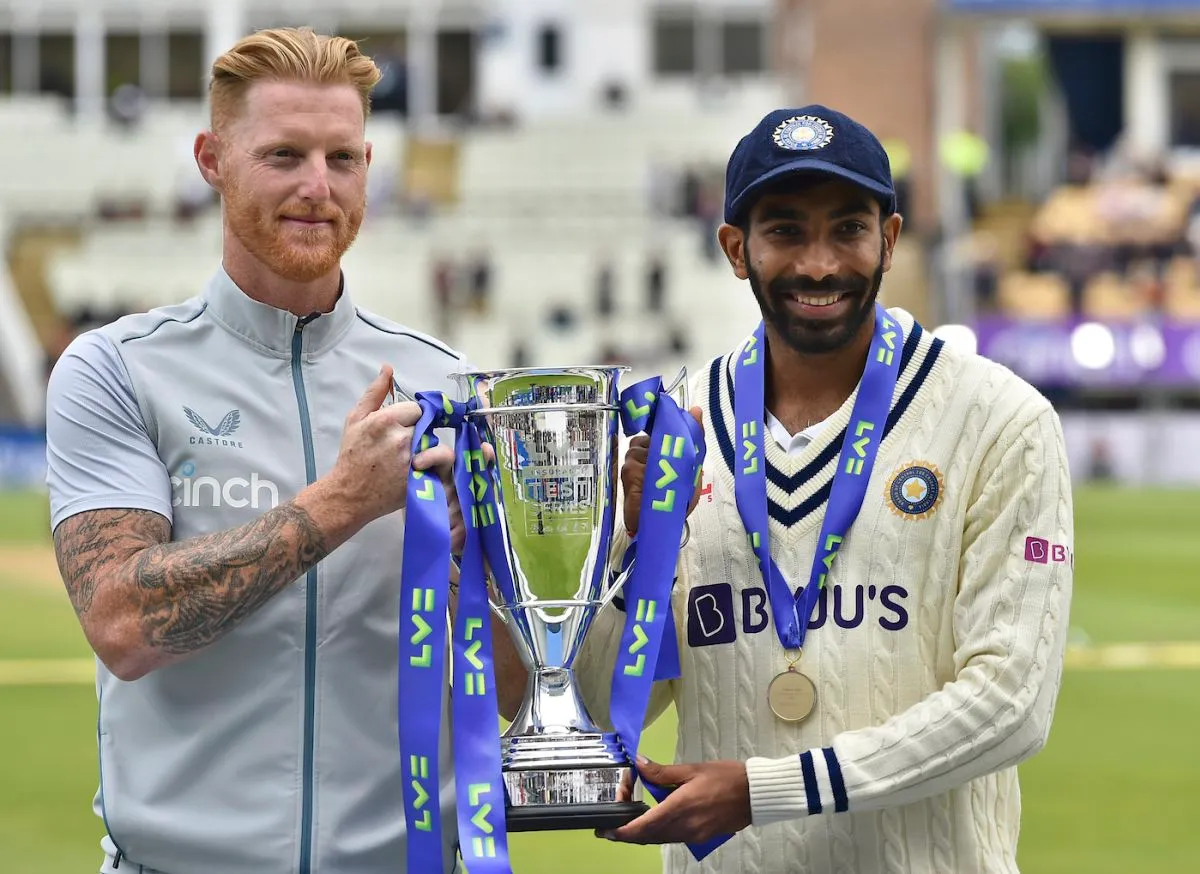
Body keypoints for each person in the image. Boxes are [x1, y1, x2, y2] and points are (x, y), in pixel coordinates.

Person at [44, 27, 523, 874]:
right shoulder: (115, 368)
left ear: (370, 164)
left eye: (343, 157)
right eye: (283, 155)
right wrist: (341, 500)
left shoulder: (447, 383)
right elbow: (121, 620)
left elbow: (508, 692)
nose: (317, 187)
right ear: (211, 159)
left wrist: (481, 577)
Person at [574, 105, 1074, 872]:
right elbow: (601, 713)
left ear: (890, 240)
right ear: (736, 249)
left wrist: (766, 790)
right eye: (784, 232)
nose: (818, 264)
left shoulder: (999, 419)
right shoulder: (680, 427)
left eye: (847, 228)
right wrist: (635, 558)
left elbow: (1011, 707)